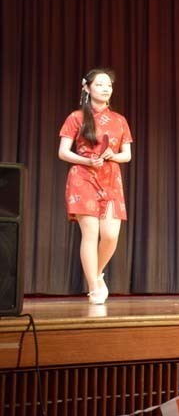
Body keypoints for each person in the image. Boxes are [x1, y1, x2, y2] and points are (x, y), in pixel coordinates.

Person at [58, 68, 132, 305]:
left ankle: (97, 273)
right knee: (90, 233)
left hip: (111, 177)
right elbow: (63, 152)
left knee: (110, 235)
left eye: (108, 85)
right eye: (100, 84)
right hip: (83, 177)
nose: (106, 88)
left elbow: (127, 155)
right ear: (87, 88)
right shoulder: (76, 117)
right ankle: (93, 287)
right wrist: (87, 160)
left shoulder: (120, 120)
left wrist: (112, 155)